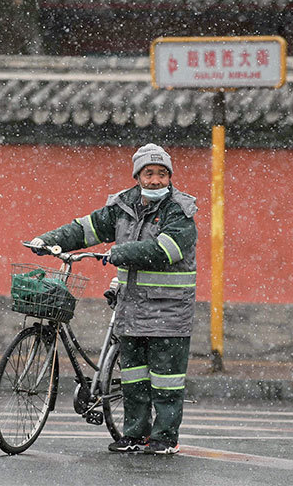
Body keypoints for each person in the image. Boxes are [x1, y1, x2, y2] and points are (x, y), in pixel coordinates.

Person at [30, 143, 197, 455]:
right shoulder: (124, 206)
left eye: (162, 174)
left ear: (170, 177)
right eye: (149, 173)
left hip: (169, 311)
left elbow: (166, 250)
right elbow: (87, 229)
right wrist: (49, 240)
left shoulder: (180, 210)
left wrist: (120, 252)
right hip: (131, 308)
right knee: (134, 378)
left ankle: (164, 438)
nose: (156, 180)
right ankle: (134, 434)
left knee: (166, 381)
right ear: (137, 176)